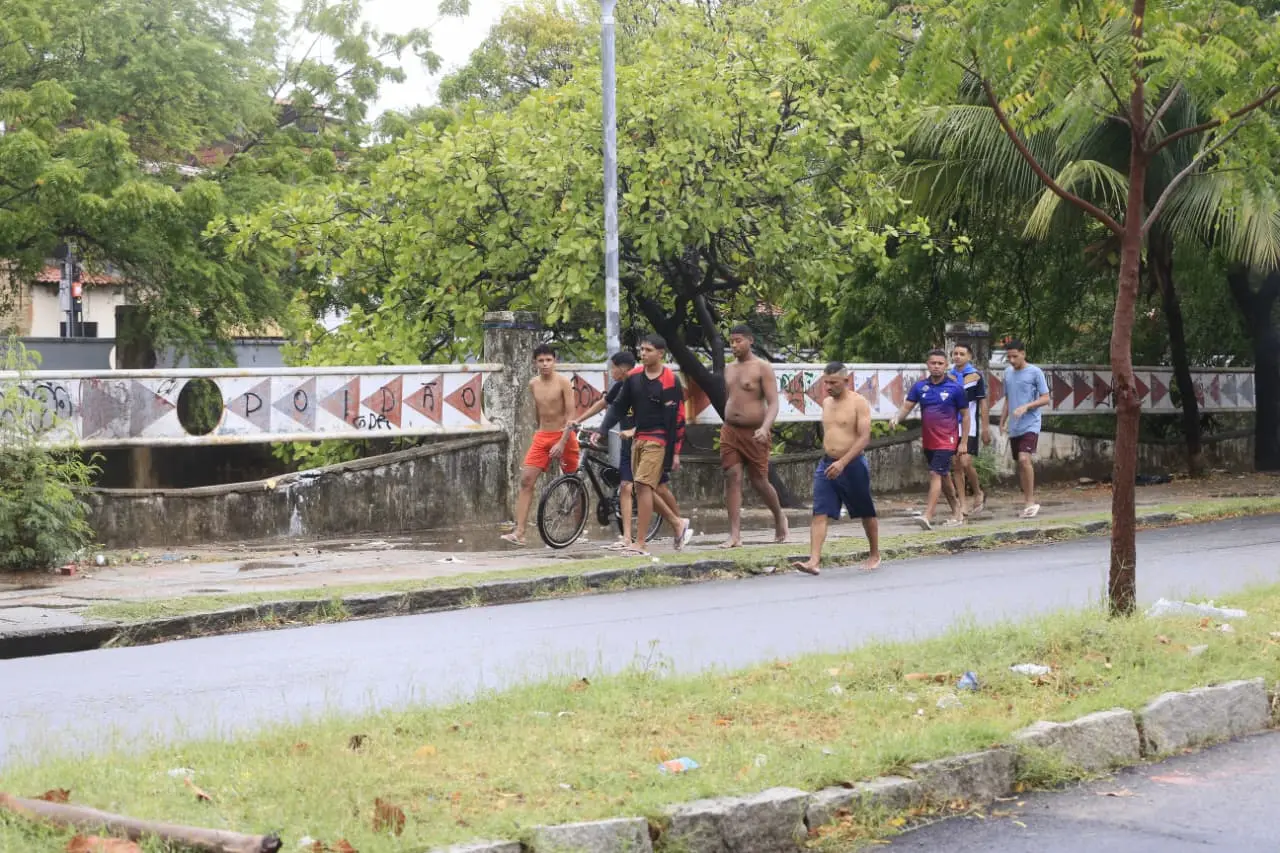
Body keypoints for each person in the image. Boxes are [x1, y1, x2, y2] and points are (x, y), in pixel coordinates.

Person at [600, 334, 693, 555]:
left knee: (641, 485)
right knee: (645, 487)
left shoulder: (670, 380)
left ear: (661, 353)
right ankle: (678, 523)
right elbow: (619, 406)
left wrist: (676, 452)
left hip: (659, 439)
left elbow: (678, 418)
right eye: (641, 350)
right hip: (638, 438)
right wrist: (603, 429)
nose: (643, 354)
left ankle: (640, 543)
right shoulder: (633, 377)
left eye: (648, 350)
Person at [578, 350, 677, 550]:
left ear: (623, 368)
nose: (611, 371)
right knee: (626, 486)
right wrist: (584, 422)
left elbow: (656, 414)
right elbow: (606, 405)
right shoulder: (620, 387)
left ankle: (679, 524)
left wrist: (635, 430)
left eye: (613, 367)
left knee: (658, 488)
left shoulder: (646, 384)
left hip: (650, 443)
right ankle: (627, 537)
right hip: (627, 446)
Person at [792, 362, 879, 575]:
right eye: (826, 382)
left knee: (865, 511)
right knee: (820, 511)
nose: (828, 387)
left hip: (852, 464)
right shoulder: (827, 402)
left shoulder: (859, 403)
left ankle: (874, 553)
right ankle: (813, 560)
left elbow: (864, 438)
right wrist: (833, 461)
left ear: (846, 381)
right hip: (827, 464)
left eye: (833, 382)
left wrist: (843, 462)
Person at [501, 343, 579, 546]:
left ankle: (578, 526)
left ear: (555, 361)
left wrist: (562, 442)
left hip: (565, 435)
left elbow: (571, 416)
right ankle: (519, 532)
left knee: (573, 482)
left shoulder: (563, 383)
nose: (545, 364)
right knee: (526, 480)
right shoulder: (533, 383)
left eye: (548, 360)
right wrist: (538, 430)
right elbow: (539, 410)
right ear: (534, 363)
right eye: (541, 361)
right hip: (543, 435)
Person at [719, 324, 788, 548]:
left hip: (755, 431)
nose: (734, 345)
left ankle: (779, 516)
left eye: (738, 340)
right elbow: (731, 398)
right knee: (732, 476)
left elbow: (774, 402)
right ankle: (735, 535)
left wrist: (765, 427)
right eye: (731, 341)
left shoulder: (762, 367)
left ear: (750, 341)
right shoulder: (728, 369)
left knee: (759, 481)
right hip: (730, 430)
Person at [890, 348, 970, 531]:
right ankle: (957, 512)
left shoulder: (955, 388)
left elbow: (965, 416)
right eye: (933, 363)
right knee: (943, 476)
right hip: (929, 440)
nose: (936, 367)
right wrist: (896, 418)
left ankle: (928, 515)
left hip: (948, 439)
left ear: (946, 366)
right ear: (928, 365)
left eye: (940, 364)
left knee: (935, 474)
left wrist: (963, 442)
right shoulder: (920, 387)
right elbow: (906, 407)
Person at [1000, 339, 1051, 519]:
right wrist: (1002, 420)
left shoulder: (1035, 372)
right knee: (1020, 464)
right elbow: (1008, 398)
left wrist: (1027, 406)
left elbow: (1045, 398)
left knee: (1024, 459)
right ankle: (1027, 502)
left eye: (1015, 356)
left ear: (1023, 354)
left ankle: (1031, 502)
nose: (1012, 360)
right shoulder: (1007, 373)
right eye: (1009, 357)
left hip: (1031, 423)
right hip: (1015, 425)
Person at [948, 343, 991, 517]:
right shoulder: (948, 376)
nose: (957, 356)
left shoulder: (975, 376)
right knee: (956, 465)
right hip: (951, 425)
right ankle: (963, 503)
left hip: (970, 425)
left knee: (965, 461)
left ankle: (978, 491)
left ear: (969, 357)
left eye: (962, 354)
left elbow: (982, 402)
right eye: (955, 353)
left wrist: (986, 428)